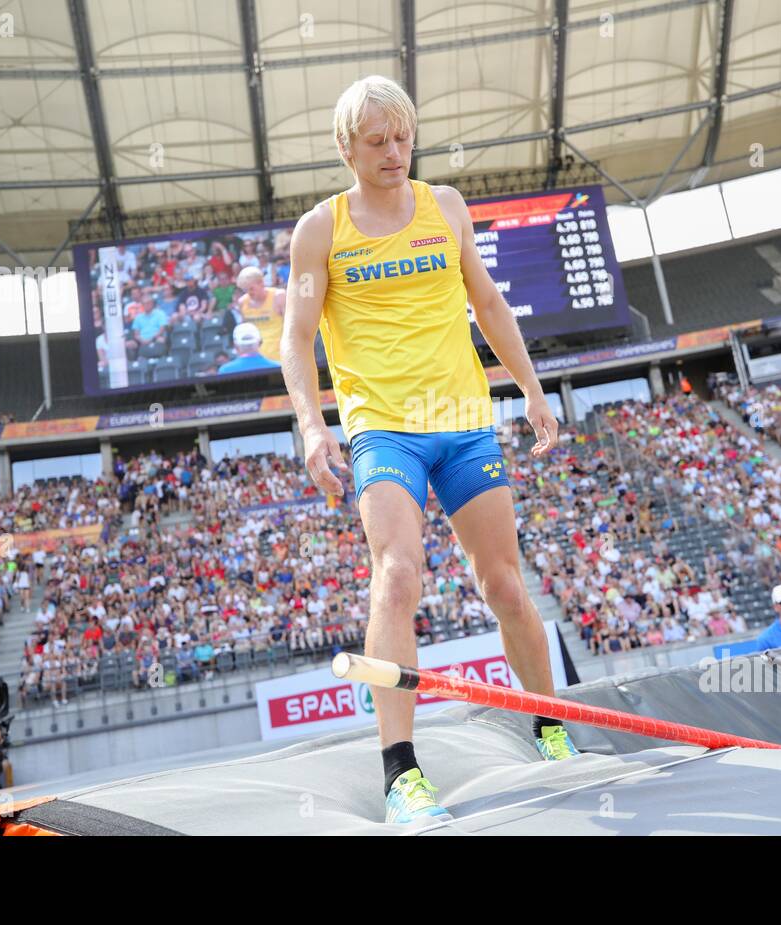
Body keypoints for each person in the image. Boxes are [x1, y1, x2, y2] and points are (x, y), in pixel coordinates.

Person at [280, 75, 577, 825]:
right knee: (397, 577)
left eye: (403, 137)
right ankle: (402, 774)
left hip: (462, 418)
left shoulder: (444, 206)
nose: (394, 152)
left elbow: (487, 301)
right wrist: (314, 426)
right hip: (383, 426)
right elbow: (295, 337)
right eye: (377, 141)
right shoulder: (321, 229)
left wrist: (532, 389)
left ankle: (550, 728)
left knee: (506, 586)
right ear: (345, 147)